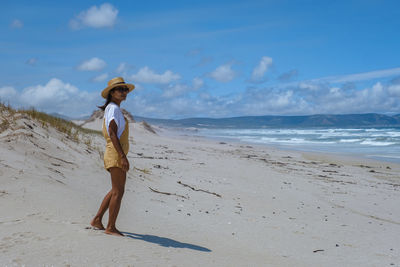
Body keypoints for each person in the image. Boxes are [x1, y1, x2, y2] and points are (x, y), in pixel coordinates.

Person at [91, 77, 135, 236]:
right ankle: (110, 227)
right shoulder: (114, 109)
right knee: (119, 191)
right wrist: (122, 156)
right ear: (111, 93)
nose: (124, 92)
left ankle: (97, 220)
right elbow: (112, 133)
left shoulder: (113, 108)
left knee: (116, 189)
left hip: (114, 152)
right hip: (115, 153)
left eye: (125, 89)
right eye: (120, 89)